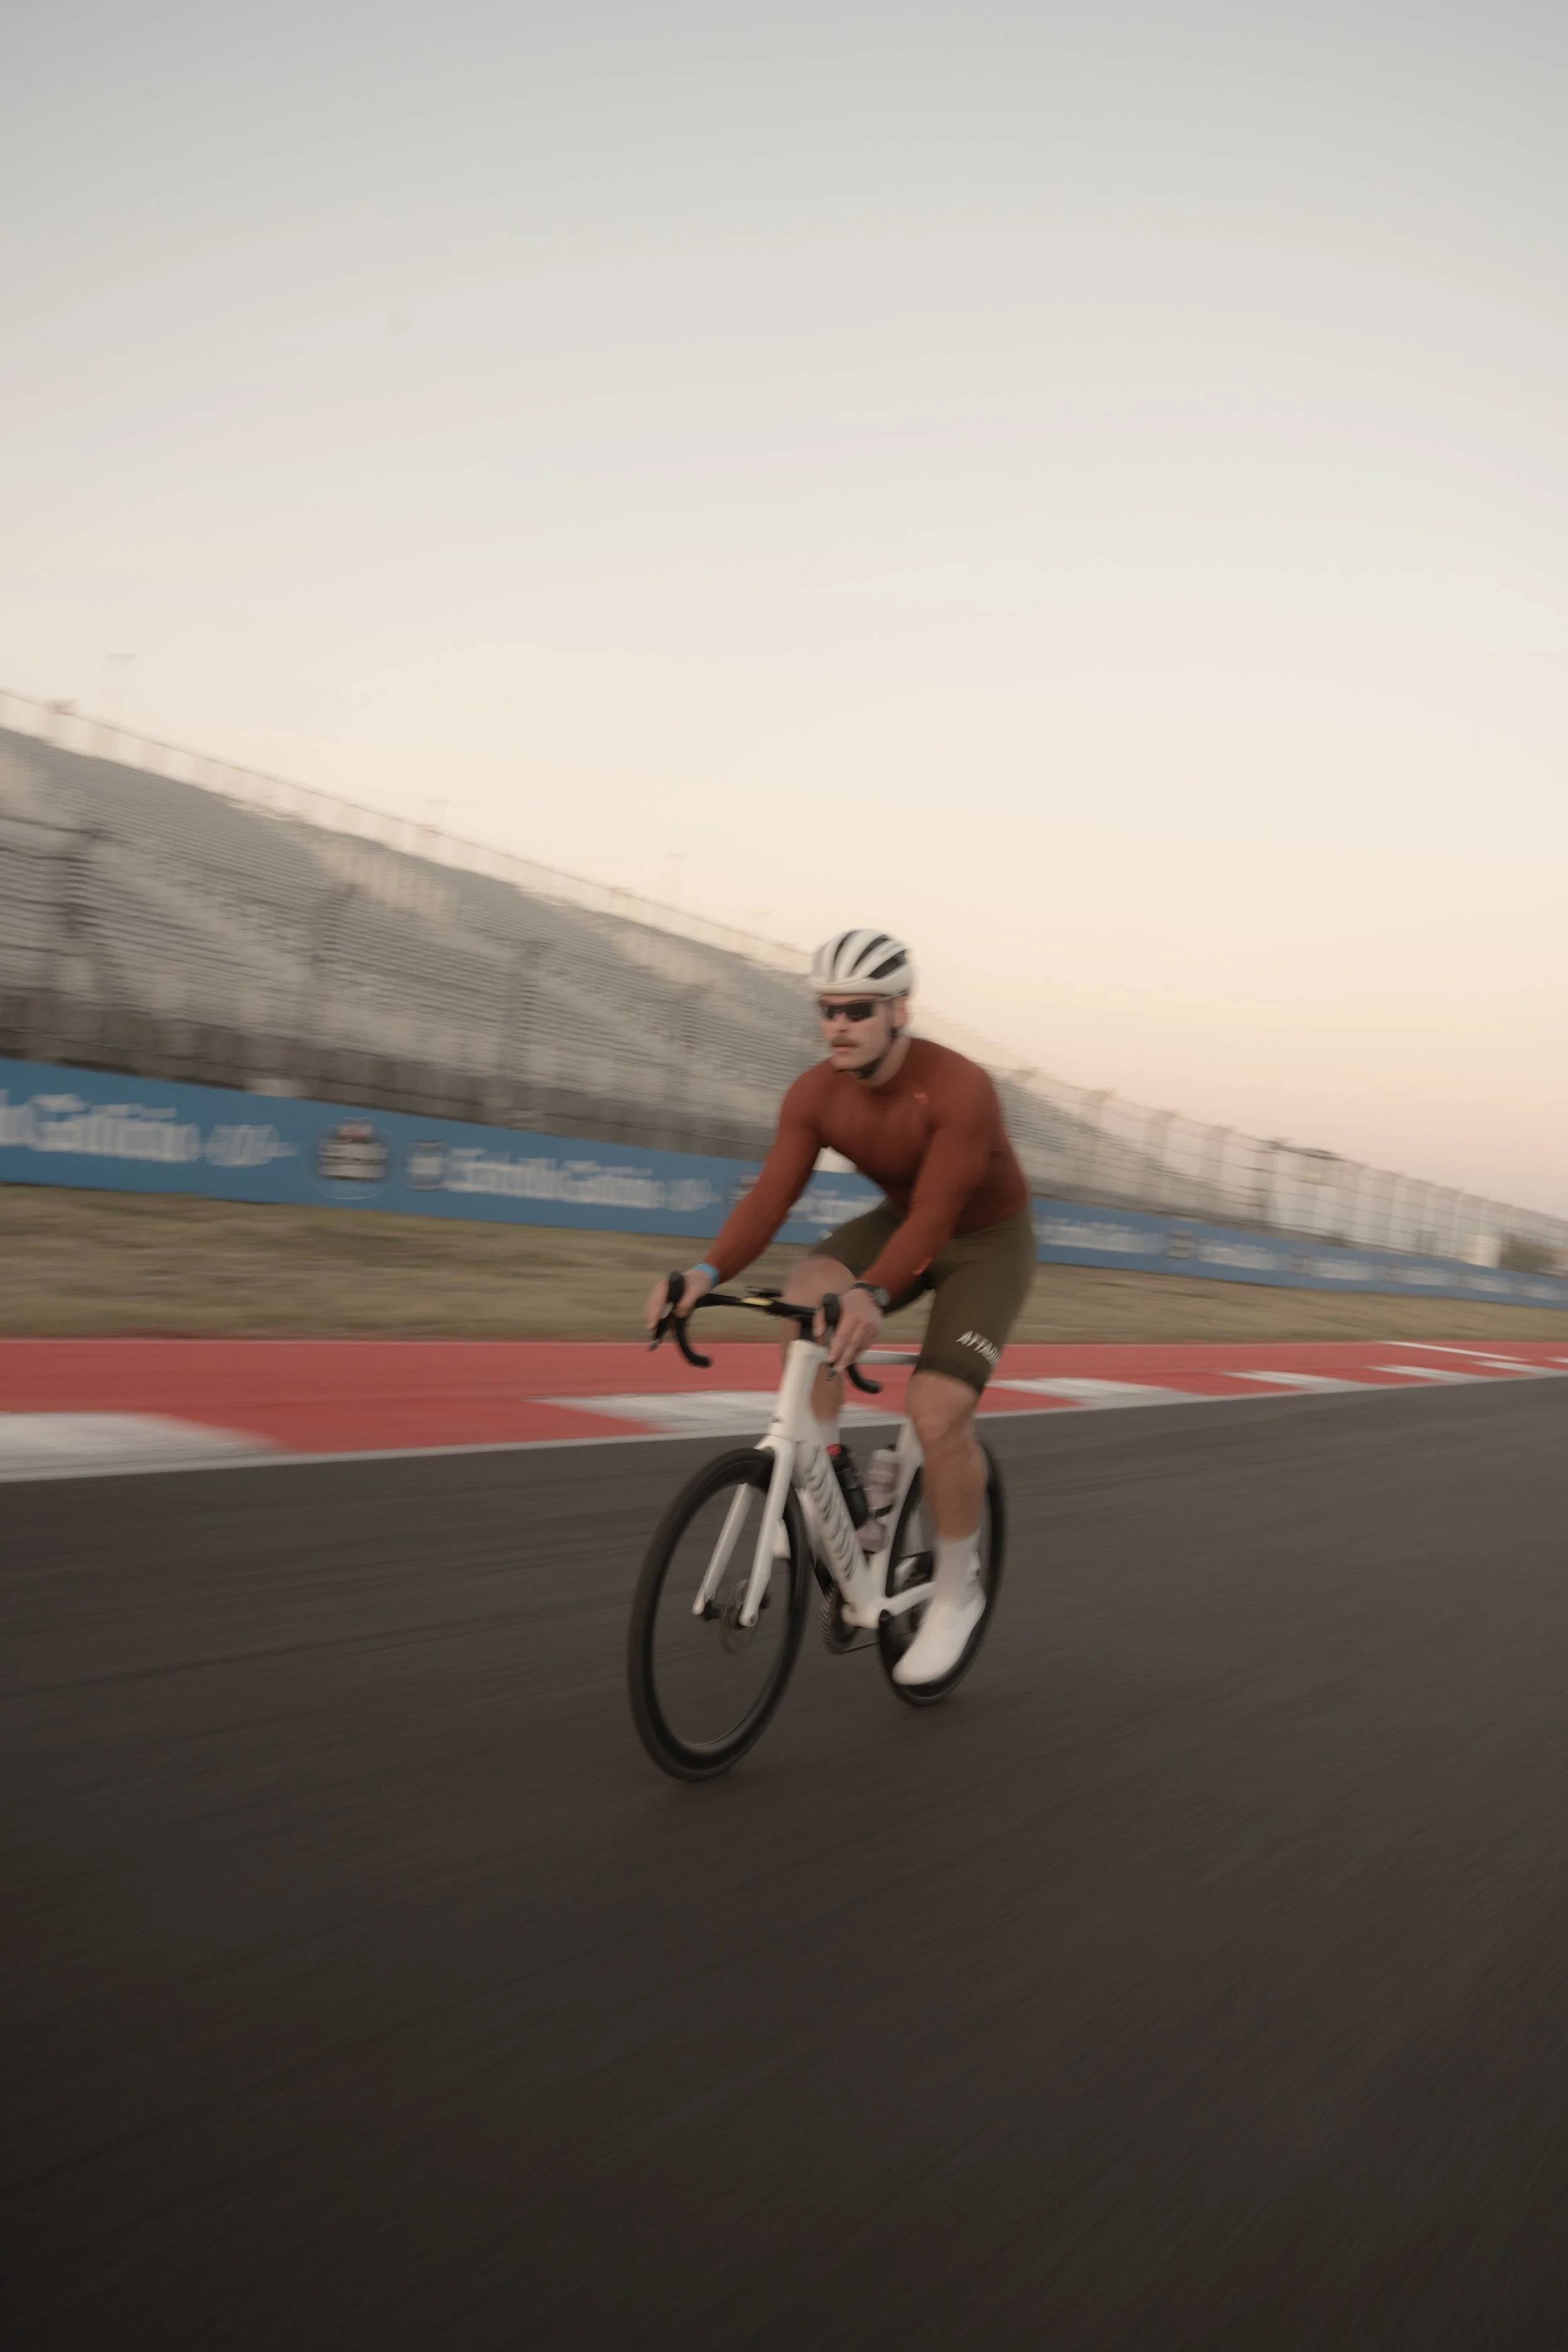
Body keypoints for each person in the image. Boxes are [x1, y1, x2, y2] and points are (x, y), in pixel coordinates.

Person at [644, 928, 1034, 1686]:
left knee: (935, 1407)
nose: (837, 1025)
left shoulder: (959, 1088)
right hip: (904, 1218)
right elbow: (768, 1200)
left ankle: (957, 1593)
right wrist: (701, 1271)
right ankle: (829, 1489)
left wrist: (874, 1291)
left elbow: (936, 1218)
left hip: (983, 1239)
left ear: (899, 1010)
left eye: (856, 1009)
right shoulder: (815, 1092)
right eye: (825, 1009)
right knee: (803, 1290)